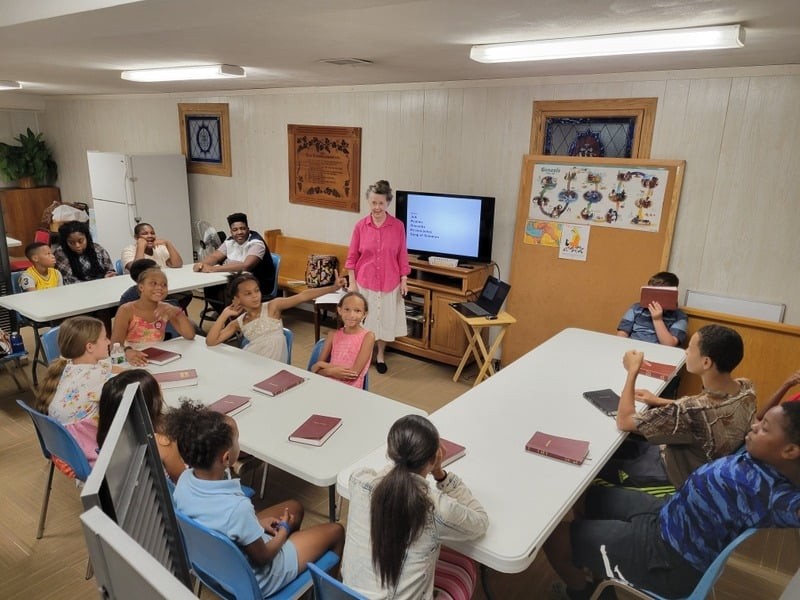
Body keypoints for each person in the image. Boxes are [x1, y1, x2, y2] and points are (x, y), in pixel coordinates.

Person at [543, 401, 800, 600]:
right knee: (585, 496)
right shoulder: (762, 456)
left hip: (668, 557)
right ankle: (591, 557)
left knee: (554, 538)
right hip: (669, 515)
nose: (755, 426)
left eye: (765, 428)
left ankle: (582, 592)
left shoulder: (776, 496)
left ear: (790, 450)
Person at [166, 400, 345, 598]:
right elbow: (263, 557)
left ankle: (298, 564)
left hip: (216, 570)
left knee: (294, 507)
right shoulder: (237, 509)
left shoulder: (183, 482)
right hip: (258, 581)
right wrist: (283, 533)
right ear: (226, 458)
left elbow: (218, 523)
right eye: (236, 440)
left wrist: (256, 524)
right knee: (336, 531)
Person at [342, 414, 489, 599]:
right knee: (466, 567)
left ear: (389, 451)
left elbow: (385, 479)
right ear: (435, 456)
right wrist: (440, 474)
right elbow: (481, 522)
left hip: (347, 595)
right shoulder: (435, 508)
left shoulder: (359, 480)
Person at [615, 324, 756, 488]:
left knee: (604, 467)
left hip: (675, 472)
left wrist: (632, 371)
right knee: (626, 446)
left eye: (690, 348)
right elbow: (709, 409)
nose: (686, 352)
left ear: (706, 362)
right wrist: (659, 401)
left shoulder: (689, 410)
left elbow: (624, 421)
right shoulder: (746, 388)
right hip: (707, 462)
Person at [35, 316, 123, 465]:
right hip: (88, 455)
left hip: (63, 449)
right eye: (104, 338)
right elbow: (133, 384)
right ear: (89, 347)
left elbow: (114, 369)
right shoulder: (95, 377)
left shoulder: (67, 365)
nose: (109, 342)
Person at [206, 271, 348, 362]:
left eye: (256, 291)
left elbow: (303, 296)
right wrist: (224, 314)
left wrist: (333, 288)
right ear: (236, 299)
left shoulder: (272, 307)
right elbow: (211, 341)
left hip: (273, 368)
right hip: (251, 361)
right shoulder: (238, 322)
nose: (255, 296)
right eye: (248, 294)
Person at [345, 180, 410, 374]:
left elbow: (402, 255)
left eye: (381, 203)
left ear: (388, 203)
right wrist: (352, 283)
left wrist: (404, 279)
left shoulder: (398, 226)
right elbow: (352, 256)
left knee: (384, 321)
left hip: (390, 283)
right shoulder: (360, 226)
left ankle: (380, 354)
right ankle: (363, 355)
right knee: (365, 321)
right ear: (369, 202)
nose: (377, 207)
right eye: (373, 203)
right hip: (365, 283)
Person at [96, 369, 184, 482]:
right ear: (150, 401)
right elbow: (181, 479)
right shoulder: (162, 442)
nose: (161, 387)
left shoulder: (107, 436)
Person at [111, 267, 196, 366]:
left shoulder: (166, 309)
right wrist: (128, 351)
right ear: (141, 287)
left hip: (158, 357)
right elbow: (115, 344)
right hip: (132, 359)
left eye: (164, 285)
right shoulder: (126, 310)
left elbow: (190, 335)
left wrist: (177, 312)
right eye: (153, 283)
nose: (159, 288)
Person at [193, 212, 276, 297]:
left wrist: (213, 269)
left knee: (226, 293)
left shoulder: (257, 243)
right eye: (235, 230)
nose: (239, 232)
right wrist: (202, 264)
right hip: (237, 280)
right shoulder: (230, 241)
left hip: (258, 284)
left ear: (248, 229)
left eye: (242, 228)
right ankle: (226, 310)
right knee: (210, 288)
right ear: (231, 232)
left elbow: (246, 266)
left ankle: (233, 310)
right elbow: (215, 256)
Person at [310, 291, 375, 389]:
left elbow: (353, 374)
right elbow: (316, 370)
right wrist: (328, 371)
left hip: (350, 390)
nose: (351, 315)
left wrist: (325, 367)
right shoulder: (333, 335)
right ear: (339, 310)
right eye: (347, 309)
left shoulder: (368, 336)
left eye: (357, 311)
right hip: (327, 385)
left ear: (364, 314)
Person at [616, 271, 687, 348]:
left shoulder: (680, 316)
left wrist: (657, 319)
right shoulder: (636, 308)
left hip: (660, 353)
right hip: (633, 349)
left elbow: (669, 344)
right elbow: (622, 334)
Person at [53, 220, 117, 284]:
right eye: (71, 243)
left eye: (81, 241)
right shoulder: (60, 253)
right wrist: (99, 282)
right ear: (65, 242)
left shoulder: (97, 248)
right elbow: (69, 281)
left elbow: (110, 269)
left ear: (87, 238)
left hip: (103, 285)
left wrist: (109, 276)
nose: (77, 246)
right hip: (77, 290)